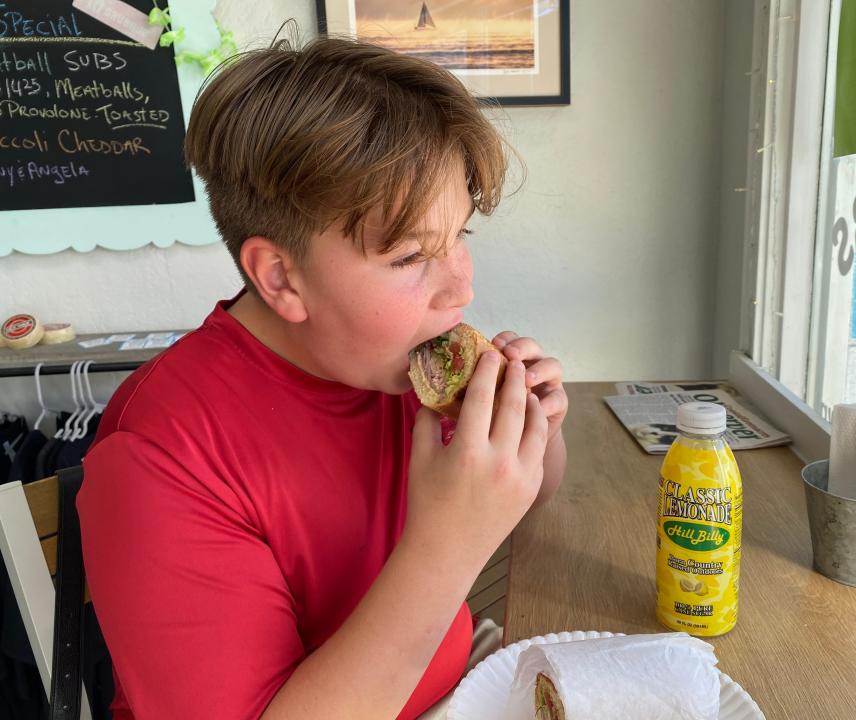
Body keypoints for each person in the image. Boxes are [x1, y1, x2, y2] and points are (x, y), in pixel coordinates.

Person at [76, 34, 568, 720]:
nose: (461, 287)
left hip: (465, 683)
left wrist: (536, 431)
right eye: (409, 258)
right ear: (280, 277)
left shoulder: (394, 363)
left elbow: (532, 497)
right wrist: (447, 546)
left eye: (461, 237)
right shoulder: (162, 457)